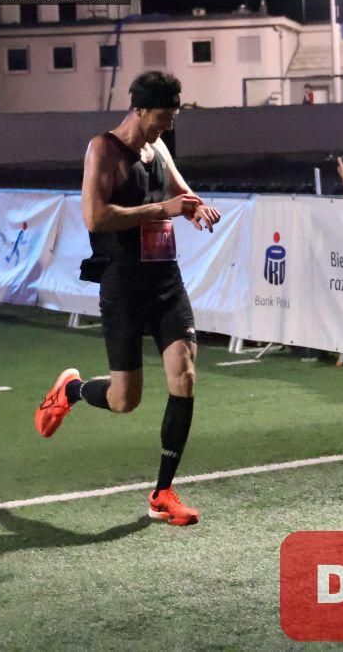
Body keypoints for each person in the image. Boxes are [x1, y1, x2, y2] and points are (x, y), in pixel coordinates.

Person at [34, 71, 221, 526]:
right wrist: (164, 209)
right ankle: (71, 391)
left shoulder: (159, 149)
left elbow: (181, 194)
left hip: (166, 283)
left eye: (173, 117)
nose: (168, 126)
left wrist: (195, 207)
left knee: (185, 375)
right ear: (138, 109)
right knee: (124, 400)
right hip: (123, 285)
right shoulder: (103, 149)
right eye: (163, 117)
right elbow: (95, 217)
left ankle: (162, 493)